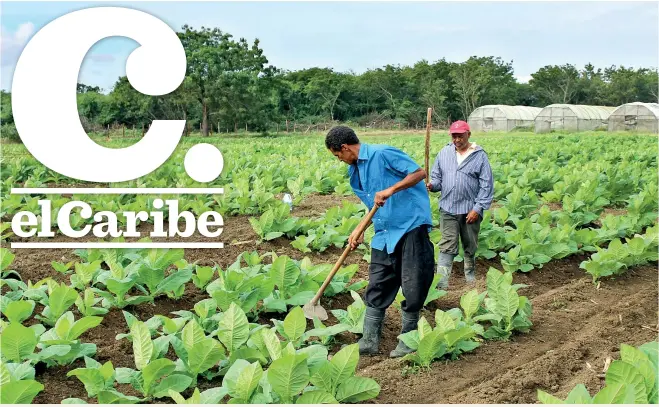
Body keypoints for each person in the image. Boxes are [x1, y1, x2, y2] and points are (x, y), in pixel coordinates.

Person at [325, 125, 435, 358]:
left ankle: (409, 339)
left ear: (345, 148)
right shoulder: (354, 172)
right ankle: (369, 341)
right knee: (377, 283)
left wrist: (391, 189)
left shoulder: (382, 153)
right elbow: (372, 204)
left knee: (413, 282)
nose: (339, 160)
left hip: (409, 225)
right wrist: (360, 227)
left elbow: (419, 173)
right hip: (384, 232)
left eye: (337, 155)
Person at [426, 120, 494, 289]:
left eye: (460, 136)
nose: (457, 139)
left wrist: (477, 208)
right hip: (448, 208)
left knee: (469, 244)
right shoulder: (444, 153)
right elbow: (437, 179)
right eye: (454, 136)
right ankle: (441, 284)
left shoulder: (479, 156)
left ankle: (470, 279)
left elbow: (487, 185)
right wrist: (432, 185)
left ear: (468, 135)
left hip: (470, 210)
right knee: (447, 244)